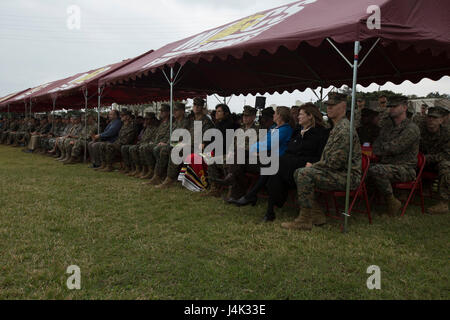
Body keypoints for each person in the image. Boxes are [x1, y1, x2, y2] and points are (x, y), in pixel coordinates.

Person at [281, 93, 361, 231]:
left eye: (332, 105)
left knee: (304, 174)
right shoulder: (337, 127)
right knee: (299, 171)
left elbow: (335, 162)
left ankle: (305, 220)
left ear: (342, 106)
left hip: (347, 176)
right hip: (335, 172)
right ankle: (316, 214)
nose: (329, 108)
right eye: (328, 105)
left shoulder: (344, 129)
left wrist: (314, 166)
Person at [264, 103, 329, 221]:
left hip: (307, 165)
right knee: (276, 169)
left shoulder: (321, 133)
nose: (298, 117)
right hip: (290, 163)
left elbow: (322, 155)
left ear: (310, 116)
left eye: (301, 114)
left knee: (275, 166)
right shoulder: (298, 132)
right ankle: (270, 211)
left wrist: (312, 163)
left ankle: (271, 208)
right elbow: (290, 150)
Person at [367, 96, 420, 216]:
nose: (391, 109)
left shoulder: (411, 128)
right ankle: (373, 201)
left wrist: (383, 148)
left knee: (376, 170)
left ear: (405, 108)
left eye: (395, 106)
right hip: (387, 164)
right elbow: (376, 145)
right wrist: (384, 148)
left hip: (405, 168)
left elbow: (395, 148)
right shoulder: (388, 127)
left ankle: (392, 201)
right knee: (365, 168)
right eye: (390, 106)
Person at [232, 106, 294, 206]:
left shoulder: (285, 129)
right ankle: (242, 193)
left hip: (273, 160)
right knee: (239, 160)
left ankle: (244, 194)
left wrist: (253, 149)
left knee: (239, 161)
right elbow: (263, 142)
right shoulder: (273, 128)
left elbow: (269, 144)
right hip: (263, 156)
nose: (273, 115)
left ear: (280, 116)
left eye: (275, 113)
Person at [417, 103, 450, 214]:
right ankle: (403, 192)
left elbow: (446, 155)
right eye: (429, 117)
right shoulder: (420, 129)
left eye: (435, 118)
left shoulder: (447, 134)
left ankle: (444, 203)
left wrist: (425, 158)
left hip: (437, 162)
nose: (431, 120)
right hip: (421, 161)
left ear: (441, 120)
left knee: (445, 166)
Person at [202, 103, 238, 196]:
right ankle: (214, 188)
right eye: (216, 111)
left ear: (226, 113)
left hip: (229, 154)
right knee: (210, 160)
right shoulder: (218, 124)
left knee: (224, 162)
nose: (216, 113)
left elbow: (228, 143)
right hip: (220, 153)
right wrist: (205, 144)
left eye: (219, 111)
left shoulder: (231, 126)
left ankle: (232, 190)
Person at [154, 102, 191, 188]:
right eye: (173, 110)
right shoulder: (175, 122)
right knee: (158, 149)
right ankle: (158, 175)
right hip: (173, 144)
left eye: (176, 110)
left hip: (182, 145)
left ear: (182, 111)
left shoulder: (186, 122)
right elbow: (170, 136)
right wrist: (166, 143)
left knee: (166, 150)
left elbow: (181, 138)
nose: (174, 112)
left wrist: (168, 144)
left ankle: (170, 178)